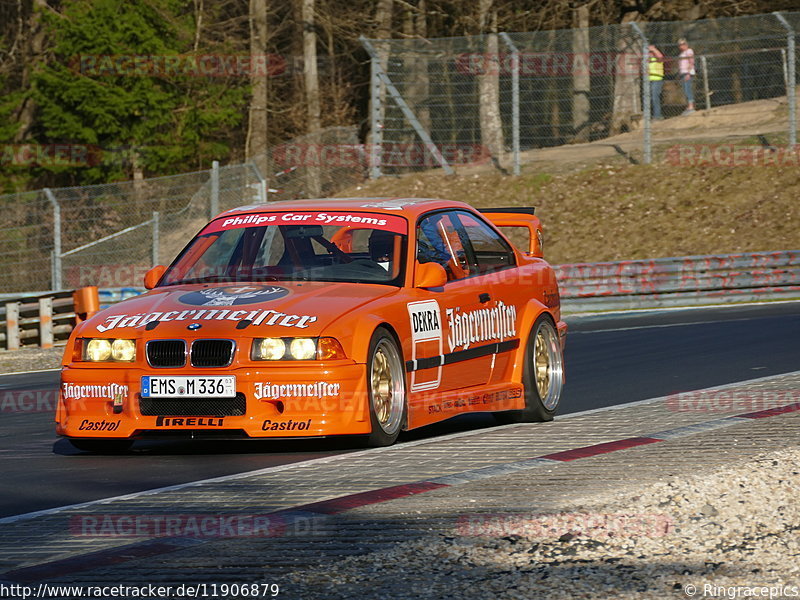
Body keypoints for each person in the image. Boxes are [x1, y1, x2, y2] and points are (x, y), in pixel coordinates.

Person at [677, 38, 695, 115]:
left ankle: (691, 106)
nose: (681, 46)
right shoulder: (681, 54)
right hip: (682, 73)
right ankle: (688, 106)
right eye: (679, 45)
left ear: (686, 44)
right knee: (685, 90)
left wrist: (688, 73)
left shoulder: (689, 51)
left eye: (682, 44)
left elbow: (691, 61)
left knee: (688, 89)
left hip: (687, 73)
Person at [648, 44, 665, 120]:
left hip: (657, 79)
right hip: (650, 80)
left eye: (650, 52)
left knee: (655, 97)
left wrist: (653, 49)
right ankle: (654, 114)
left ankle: (657, 115)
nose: (649, 54)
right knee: (651, 98)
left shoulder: (657, 59)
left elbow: (660, 56)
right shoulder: (649, 61)